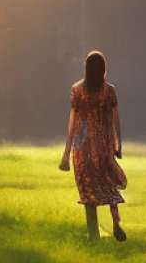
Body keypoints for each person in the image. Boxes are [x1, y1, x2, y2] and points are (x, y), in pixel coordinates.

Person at [59, 50, 127, 241]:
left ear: (86, 69)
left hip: (82, 147)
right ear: (104, 69)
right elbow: (116, 122)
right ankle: (116, 223)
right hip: (103, 145)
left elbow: (72, 124)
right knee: (109, 185)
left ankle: (93, 234)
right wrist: (117, 145)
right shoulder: (109, 91)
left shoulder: (78, 90)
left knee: (87, 190)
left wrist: (66, 155)